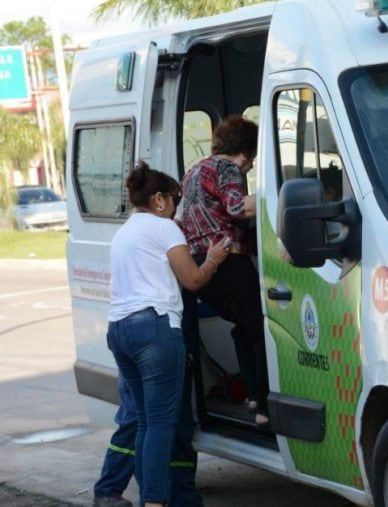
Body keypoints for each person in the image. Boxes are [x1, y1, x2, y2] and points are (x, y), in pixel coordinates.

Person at [106, 161, 230, 507]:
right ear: (158, 199)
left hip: (119, 330)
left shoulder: (125, 231)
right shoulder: (165, 229)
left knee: (145, 423)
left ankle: (151, 498)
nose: (176, 208)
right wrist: (215, 258)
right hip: (155, 330)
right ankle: (156, 502)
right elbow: (192, 279)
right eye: (174, 200)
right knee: (162, 424)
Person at [180, 114, 269, 426]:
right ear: (244, 152)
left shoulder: (193, 171)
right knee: (260, 328)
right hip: (229, 261)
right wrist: (275, 195)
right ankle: (265, 406)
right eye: (253, 159)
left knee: (242, 327)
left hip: (202, 266)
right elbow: (237, 207)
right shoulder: (227, 167)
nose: (252, 167)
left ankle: (252, 397)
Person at [92, 289, 204, 507]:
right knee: (139, 419)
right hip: (152, 338)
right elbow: (193, 279)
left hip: (155, 335)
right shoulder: (164, 255)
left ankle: (181, 495)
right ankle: (109, 489)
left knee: (174, 424)